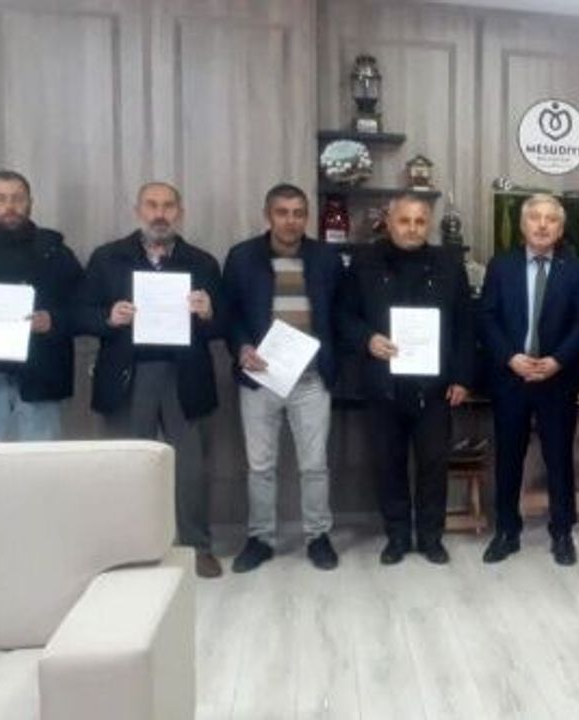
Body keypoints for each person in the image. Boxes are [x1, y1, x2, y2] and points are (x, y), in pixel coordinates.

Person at [77, 181, 226, 578]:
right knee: (128, 465)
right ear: (138, 210)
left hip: (185, 375)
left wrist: (209, 313)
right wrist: (108, 317)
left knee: (190, 467)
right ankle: (126, 550)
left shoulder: (202, 262)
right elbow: (79, 314)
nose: (160, 214)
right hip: (129, 373)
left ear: (180, 212)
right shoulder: (108, 257)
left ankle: (197, 546)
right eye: (152, 205)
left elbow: (225, 324)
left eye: (168, 206)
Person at [339, 193, 473, 565]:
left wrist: (462, 377)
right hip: (383, 385)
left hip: (435, 389)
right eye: (404, 221)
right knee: (388, 464)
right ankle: (397, 536)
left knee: (434, 465)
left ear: (428, 225)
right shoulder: (364, 262)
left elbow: (465, 325)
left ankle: (431, 537)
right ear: (389, 222)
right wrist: (367, 339)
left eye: (420, 221)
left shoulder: (448, 264)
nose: (412, 228)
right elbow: (344, 316)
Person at [222, 183, 344, 572]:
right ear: (268, 215)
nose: (290, 221)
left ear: (306, 217)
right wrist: (242, 347)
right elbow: (229, 313)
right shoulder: (242, 257)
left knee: (314, 465)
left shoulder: (326, 258)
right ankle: (260, 539)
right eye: (282, 212)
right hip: (261, 378)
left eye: (298, 213)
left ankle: (318, 536)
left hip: (311, 379)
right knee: (260, 466)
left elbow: (340, 314)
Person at [478, 194, 579, 566]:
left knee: (558, 458)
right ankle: (506, 532)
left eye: (551, 219)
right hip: (511, 377)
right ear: (523, 224)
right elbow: (486, 317)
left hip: (557, 378)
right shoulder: (501, 266)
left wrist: (558, 360)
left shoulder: (575, 268)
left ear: (560, 229)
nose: (542, 225)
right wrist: (510, 357)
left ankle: (562, 533)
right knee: (508, 457)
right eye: (535, 218)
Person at [0, 170, 83, 441]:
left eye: (18, 198)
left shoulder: (56, 251)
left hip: (40, 378)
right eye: (0, 199)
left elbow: (86, 310)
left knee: (40, 461)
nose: (10, 206)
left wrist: (53, 321)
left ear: (30, 202)